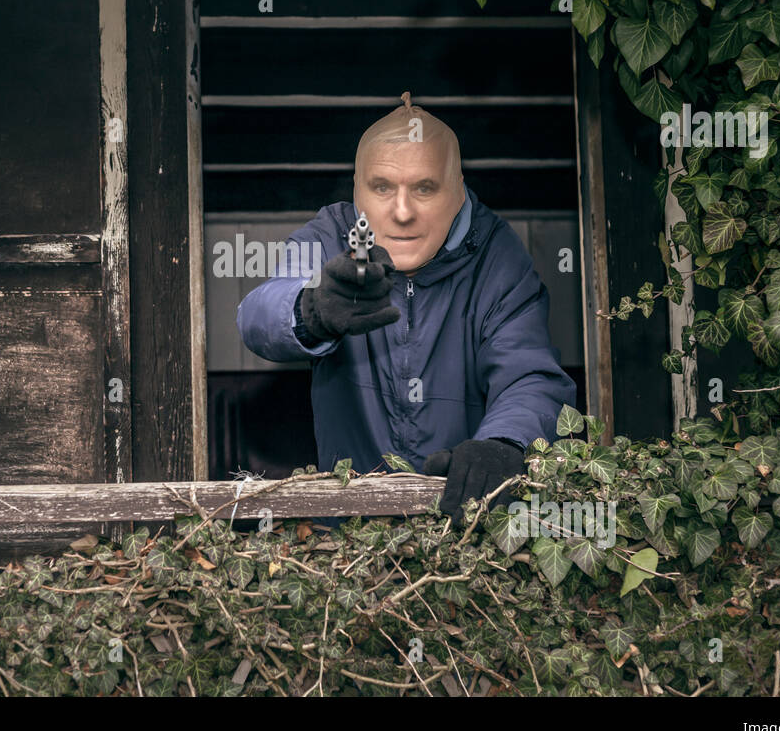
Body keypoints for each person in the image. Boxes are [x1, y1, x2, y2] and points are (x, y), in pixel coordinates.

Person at [236, 92, 577, 525]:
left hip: (468, 527)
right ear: (357, 191)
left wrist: (506, 442)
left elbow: (529, 372)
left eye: (425, 188)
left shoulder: (497, 256)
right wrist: (310, 311)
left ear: (458, 192)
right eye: (382, 187)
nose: (402, 212)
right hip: (350, 535)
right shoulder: (327, 238)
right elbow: (256, 317)